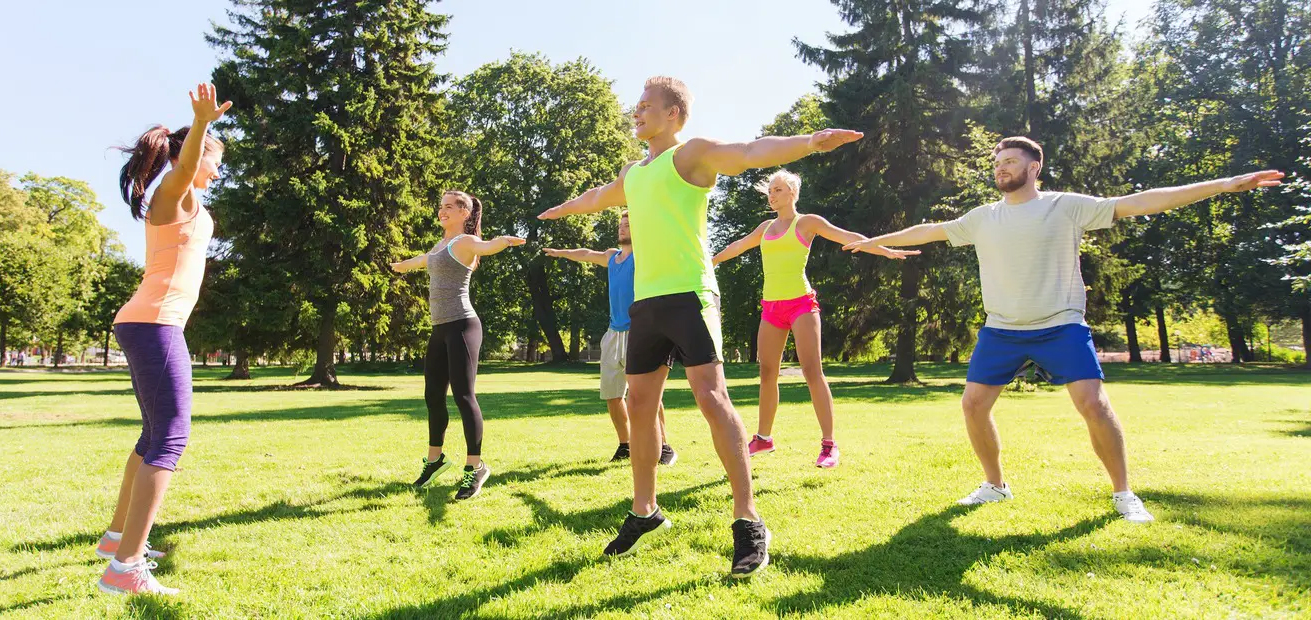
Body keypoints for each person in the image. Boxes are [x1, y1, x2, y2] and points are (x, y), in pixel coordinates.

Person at [845, 136, 1283, 523]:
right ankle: (995, 486)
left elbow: (1143, 200)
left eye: (1010, 162)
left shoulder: (1065, 206)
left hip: (1061, 325)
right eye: (997, 163)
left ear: (1034, 168)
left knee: (1093, 404)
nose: (1001, 169)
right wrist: (873, 242)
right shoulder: (983, 217)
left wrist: (1224, 185)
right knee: (973, 405)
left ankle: (1124, 494)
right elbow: (931, 231)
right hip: (1001, 330)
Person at [539, 76, 863, 577]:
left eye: (647, 105)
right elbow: (600, 195)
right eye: (637, 104)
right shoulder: (634, 172)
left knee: (712, 399)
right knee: (640, 405)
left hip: (690, 294)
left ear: (674, 114)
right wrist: (566, 208)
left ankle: (748, 518)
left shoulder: (690, 155)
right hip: (646, 302)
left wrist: (809, 142)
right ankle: (644, 511)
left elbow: (751, 151)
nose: (636, 111)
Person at [97, 83, 231, 595]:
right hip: (155, 324)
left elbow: (190, 169)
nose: (218, 170)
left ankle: (116, 541)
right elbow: (186, 165)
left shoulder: (186, 197)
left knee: (152, 436)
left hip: (149, 323)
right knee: (171, 437)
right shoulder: (170, 194)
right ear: (190, 157)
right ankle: (125, 569)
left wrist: (199, 133)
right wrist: (200, 125)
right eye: (214, 160)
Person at [712, 169, 916, 467]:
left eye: (778, 189)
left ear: (793, 192)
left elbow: (847, 237)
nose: (772, 194)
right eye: (770, 190)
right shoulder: (765, 228)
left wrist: (883, 250)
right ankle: (764, 438)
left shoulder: (806, 222)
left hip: (801, 304)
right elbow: (738, 246)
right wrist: (711, 261)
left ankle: (829, 445)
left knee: (812, 371)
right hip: (771, 306)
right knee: (767, 372)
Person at [393, 190, 525, 500]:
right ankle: (436, 459)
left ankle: (475, 467)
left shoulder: (464, 242)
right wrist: (401, 265)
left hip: (463, 326)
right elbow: (423, 260)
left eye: (450, 206)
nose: (443, 211)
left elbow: (486, 246)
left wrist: (503, 241)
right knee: (433, 395)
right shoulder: (440, 245)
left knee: (464, 396)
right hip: (440, 329)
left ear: (465, 213)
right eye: (441, 207)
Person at [543, 211, 678, 465]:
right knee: (613, 395)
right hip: (613, 334)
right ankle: (625, 444)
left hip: (640, 332)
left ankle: (664, 446)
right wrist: (561, 253)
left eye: (628, 224)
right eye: (621, 224)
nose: (622, 228)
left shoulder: (644, 257)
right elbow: (585, 254)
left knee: (648, 394)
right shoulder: (612, 257)